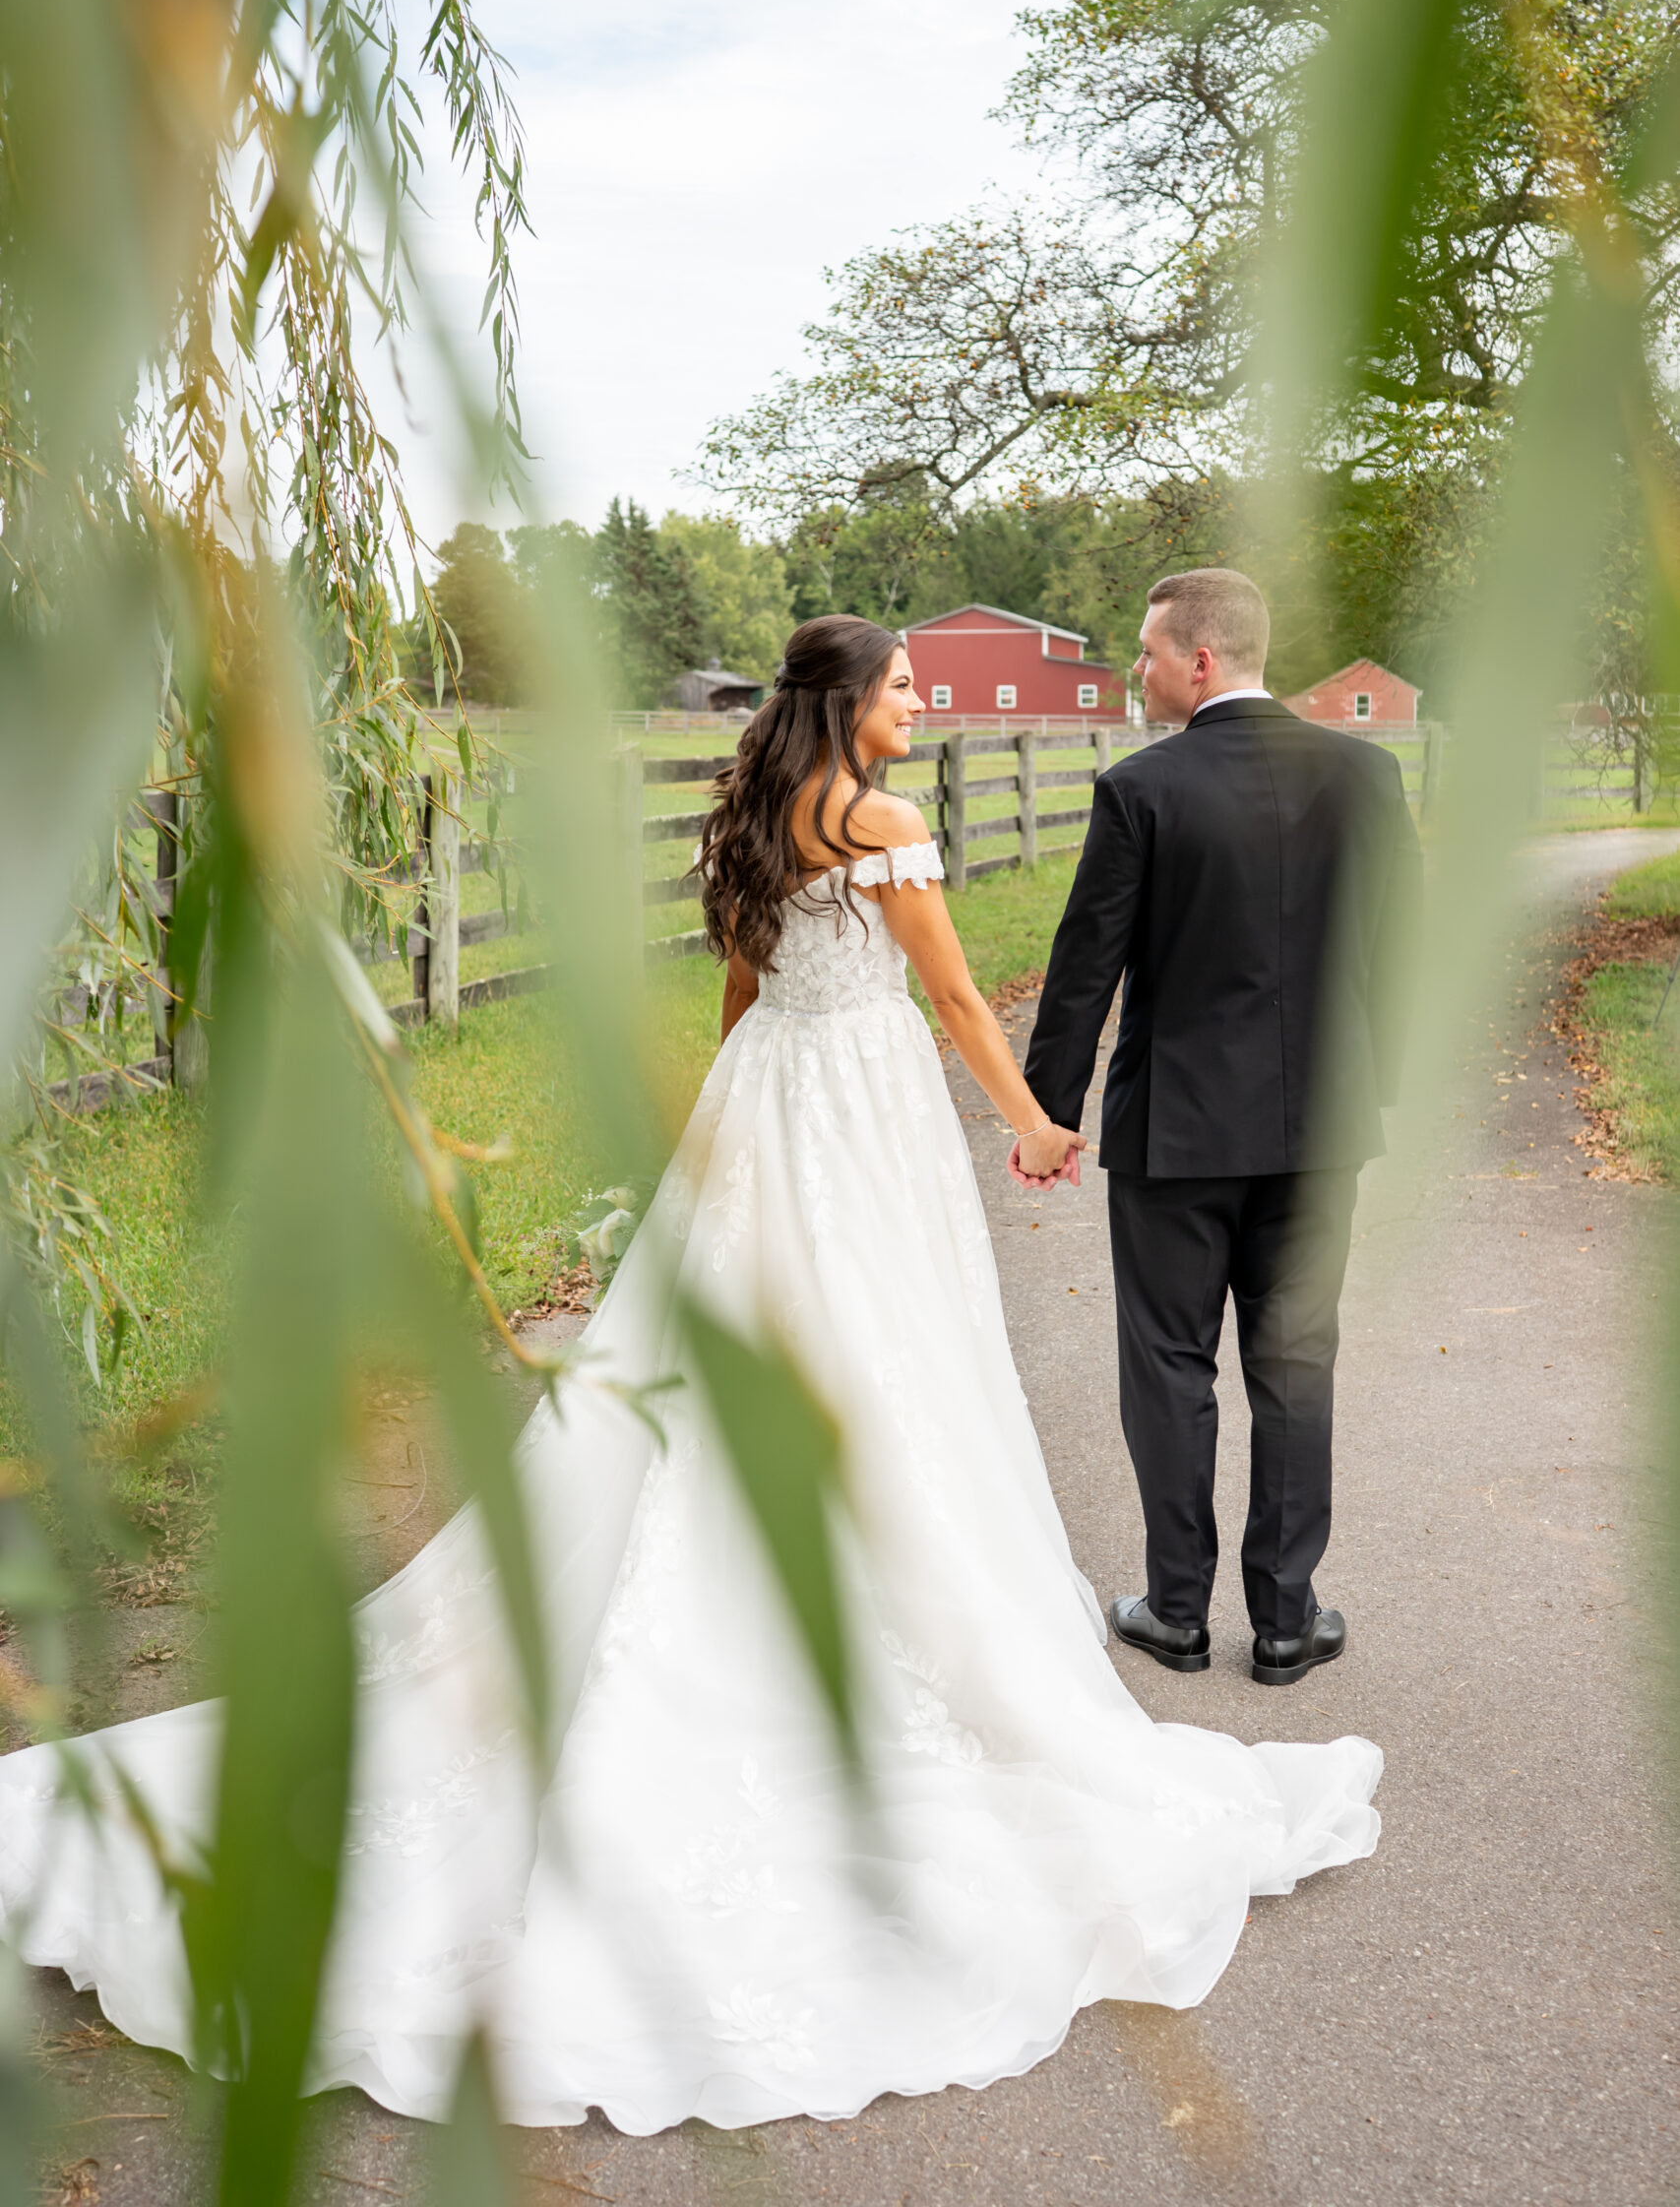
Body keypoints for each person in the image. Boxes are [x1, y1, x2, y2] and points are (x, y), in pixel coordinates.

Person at [0, 613, 1380, 2135]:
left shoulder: (754, 816)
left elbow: (739, 999)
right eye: (908, 688)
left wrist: (709, 1149)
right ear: (851, 705)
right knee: (881, 1360)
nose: (922, 707)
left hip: (766, 1106)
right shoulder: (886, 823)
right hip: (860, 1123)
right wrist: (1033, 1126)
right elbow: (951, 1000)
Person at [1024, 570, 1421, 1687]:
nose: (1134, 668)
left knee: (1168, 1362)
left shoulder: (1141, 787)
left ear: (1201, 659)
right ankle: (1288, 1622)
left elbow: (1083, 971)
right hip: (1320, 1128)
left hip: (1175, 1135)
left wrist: (1049, 1114)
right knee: (1295, 1362)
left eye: (1147, 650)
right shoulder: (1366, 773)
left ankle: (1179, 1612)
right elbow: (1402, 947)